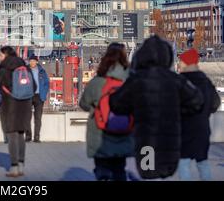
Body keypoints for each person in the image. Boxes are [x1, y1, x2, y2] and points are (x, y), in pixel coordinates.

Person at [109, 35, 204, 180]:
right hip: (170, 142)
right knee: (166, 174)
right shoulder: (175, 79)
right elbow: (197, 101)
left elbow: (116, 104)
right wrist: (178, 111)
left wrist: (135, 107)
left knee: (149, 173)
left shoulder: (136, 80)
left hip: (147, 143)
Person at [79, 43, 134, 181]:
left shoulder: (97, 82)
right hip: (123, 132)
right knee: (119, 169)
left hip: (99, 133)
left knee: (102, 169)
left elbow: (84, 104)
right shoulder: (131, 80)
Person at [177, 48, 222, 180]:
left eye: (181, 61)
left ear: (186, 63)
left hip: (184, 130)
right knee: (203, 162)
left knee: (183, 164)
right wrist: (204, 113)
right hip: (202, 129)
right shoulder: (206, 82)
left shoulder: (180, 82)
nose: (179, 64)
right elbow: (215, 103)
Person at [0, 46, 34, 178]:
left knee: (12, 135)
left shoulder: (3, 69)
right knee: (20, 134)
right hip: (25, 105)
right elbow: (33, 87)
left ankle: (14, 166)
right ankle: (21, 164)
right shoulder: (25, 67)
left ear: (5, 55)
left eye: (0, 55)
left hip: (9, 106)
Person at [25, 55, 50, 143]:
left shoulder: (42, 71)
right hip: (28, 96)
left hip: (39, 96)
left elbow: (47, 83)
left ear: (36, 62)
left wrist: (44, 92)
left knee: (38, 118)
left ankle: (36, 137)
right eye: (30, 61)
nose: (32, 62)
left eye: (33, 61)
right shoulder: (25, 71)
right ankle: (28, 136)